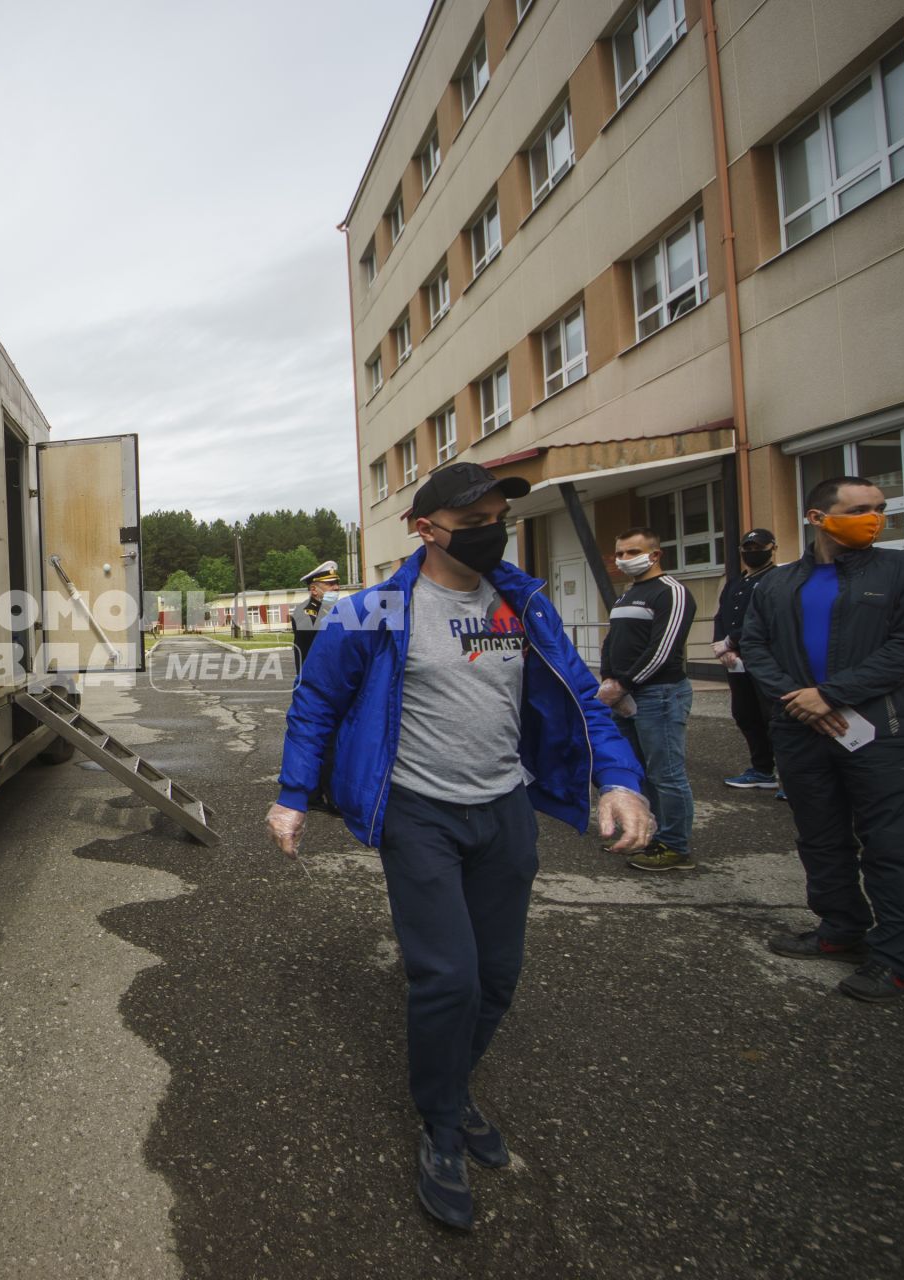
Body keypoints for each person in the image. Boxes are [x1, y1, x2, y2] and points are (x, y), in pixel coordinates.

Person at [264, 460, 651, 1232]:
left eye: (497, 517)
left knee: (498, 976)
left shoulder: (523, 601)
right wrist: (291, 794)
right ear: (424, 526)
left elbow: (579, 695)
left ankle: (453, 1086)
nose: (490, 531)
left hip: (503, 808)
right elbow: (316, 703)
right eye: (472, 520)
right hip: (419, 813)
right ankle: (442, 1122)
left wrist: (620, 777)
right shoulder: (374, 610)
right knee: (448, 976)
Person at [739, 476, 904, 1002]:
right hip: (801, 730)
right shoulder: (778, 584)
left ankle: (897, 959)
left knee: (892, 846)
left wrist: (830, 694)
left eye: (878, 508)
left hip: (883, 732)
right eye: (858, 509)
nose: (873, 518)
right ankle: (839, 929)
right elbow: (754, 646)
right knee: (821, 837)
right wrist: (797, 700)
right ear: (817, 517)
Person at [597, 528, 697, 871]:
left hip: (660, 695)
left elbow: (663, 650)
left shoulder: (671, 592)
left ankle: (674, 845)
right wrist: (608, 679)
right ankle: (645, 834)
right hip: (624, 696)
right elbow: (612, 641)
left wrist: (623, 683)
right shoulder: (626, 596)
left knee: (665, 774)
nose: (624, 559)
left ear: (654, 555)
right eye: (620, 553)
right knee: (637, 770)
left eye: (632, 552)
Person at [713, 528, 782, 792]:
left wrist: (733, 641)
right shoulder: (735, 583)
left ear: (772, 547)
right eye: (748, 547)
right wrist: (722, 647)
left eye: (758, 547)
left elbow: (765, 619)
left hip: (764, 658)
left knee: (773, 717)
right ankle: (762, 769)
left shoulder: (777, 579)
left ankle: (788, 774)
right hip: (736, 663)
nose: (752, 552)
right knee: (745, 714)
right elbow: (721, 616)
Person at [292, 559, 344, 671]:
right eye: (330, 584)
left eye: (337, 583)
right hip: (314, 679)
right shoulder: (304, 612)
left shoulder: (330, 609)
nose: (336, 587)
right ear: (314, 590)